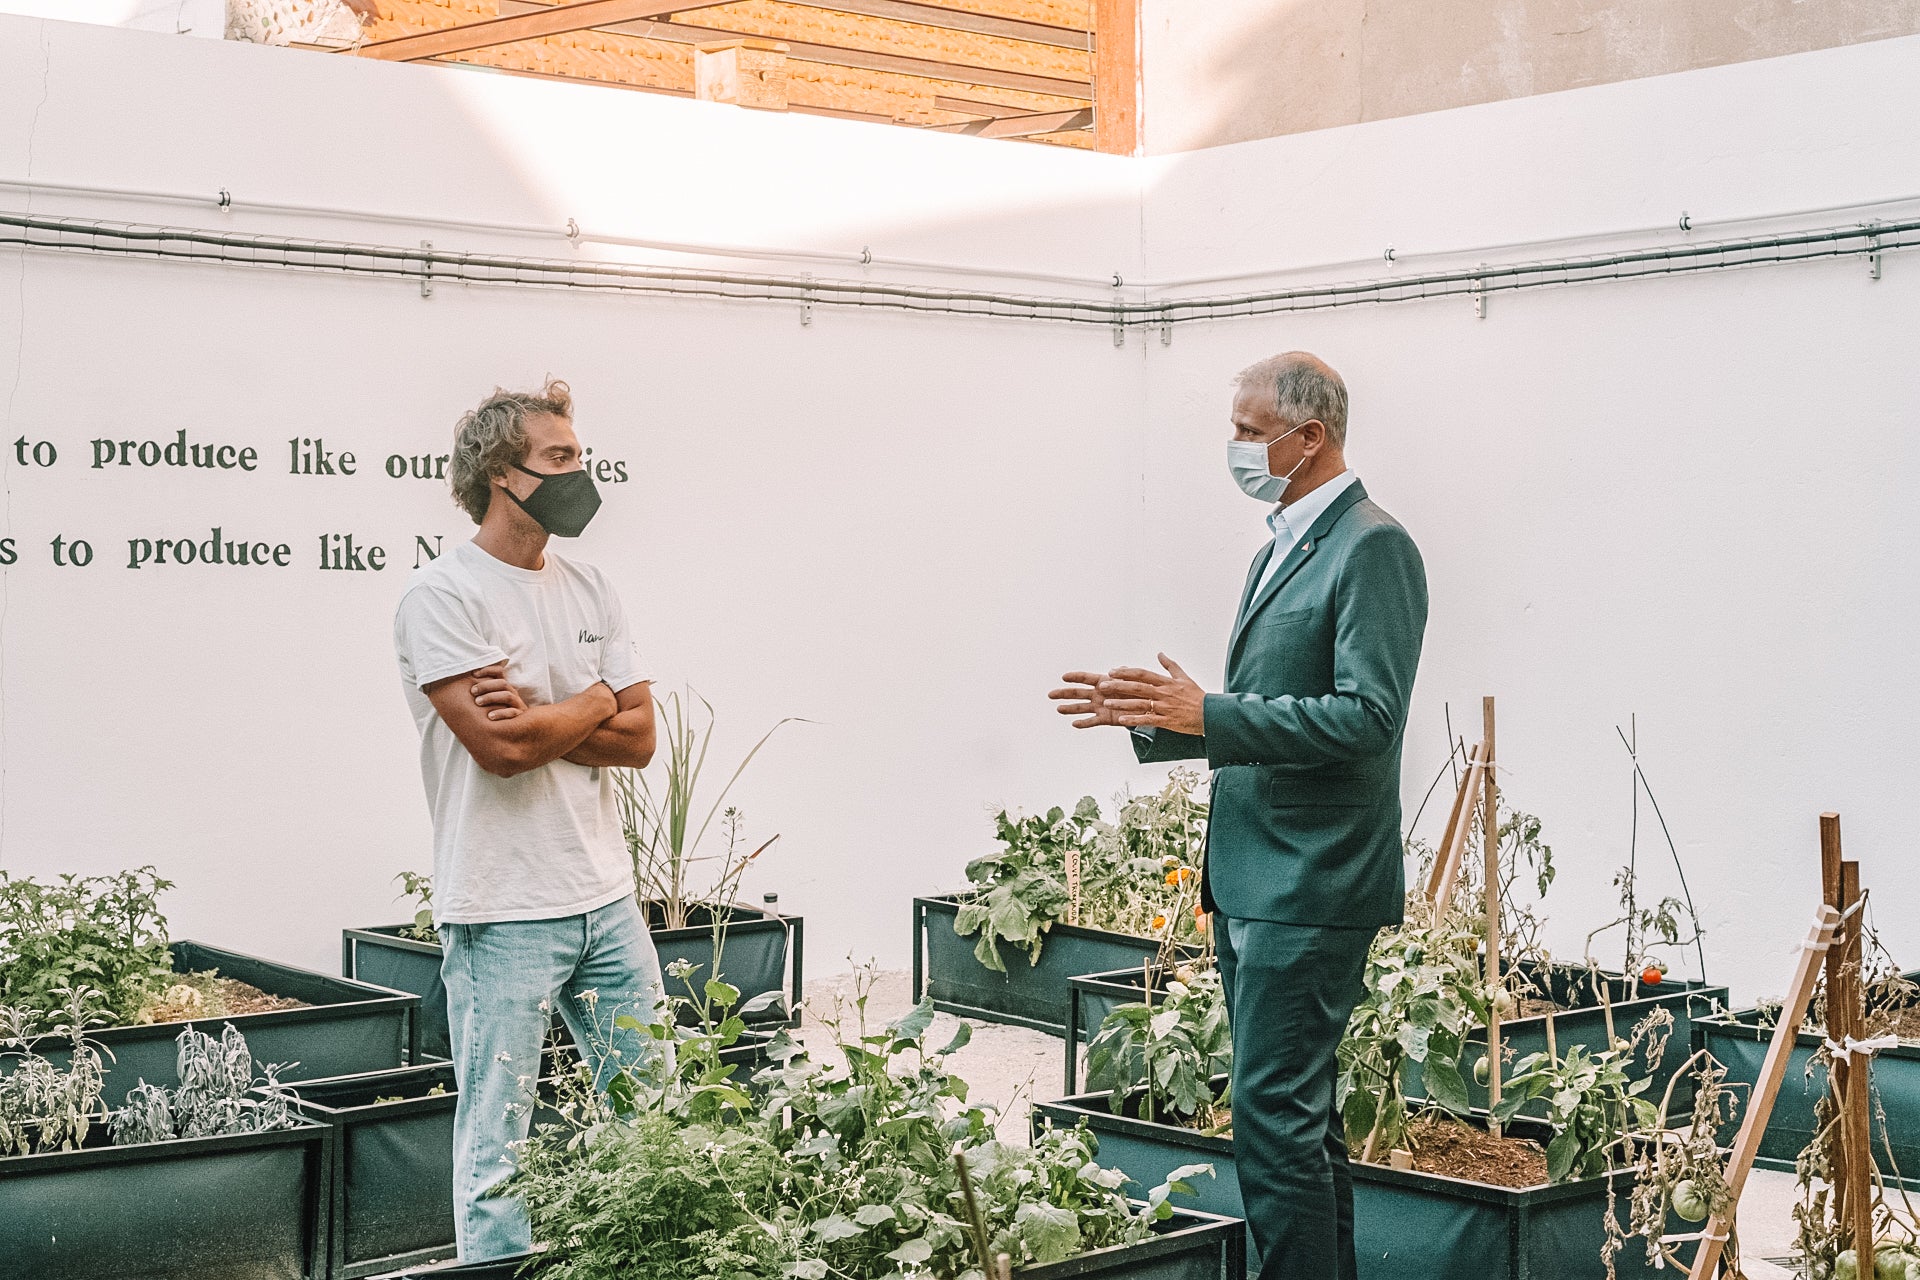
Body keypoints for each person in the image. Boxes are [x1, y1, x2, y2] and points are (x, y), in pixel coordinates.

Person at [1049, 352, 1427, 1280]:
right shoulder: (1280, 546)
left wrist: (1210, 714)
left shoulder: (1374, 546)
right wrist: (1166, 720)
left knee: (1272, 1119)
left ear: (1311, 437)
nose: (1238, 448)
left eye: (1251, 433)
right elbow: (1280, 714)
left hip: (1313, 879)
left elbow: (1370, 719)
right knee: (1298, 1121)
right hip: (1259, 874)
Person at [392, 379, 667, 1262]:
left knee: (652, 1110)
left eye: (579, 456)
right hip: (503, 905)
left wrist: (559, 708)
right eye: (558, 459)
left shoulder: (592, 586)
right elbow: (499, 751)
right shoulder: (444, 596)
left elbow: (640, 741)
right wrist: (597, 700)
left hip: (606, 898)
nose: (579, 474)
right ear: (498, 474)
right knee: (497, 1142)